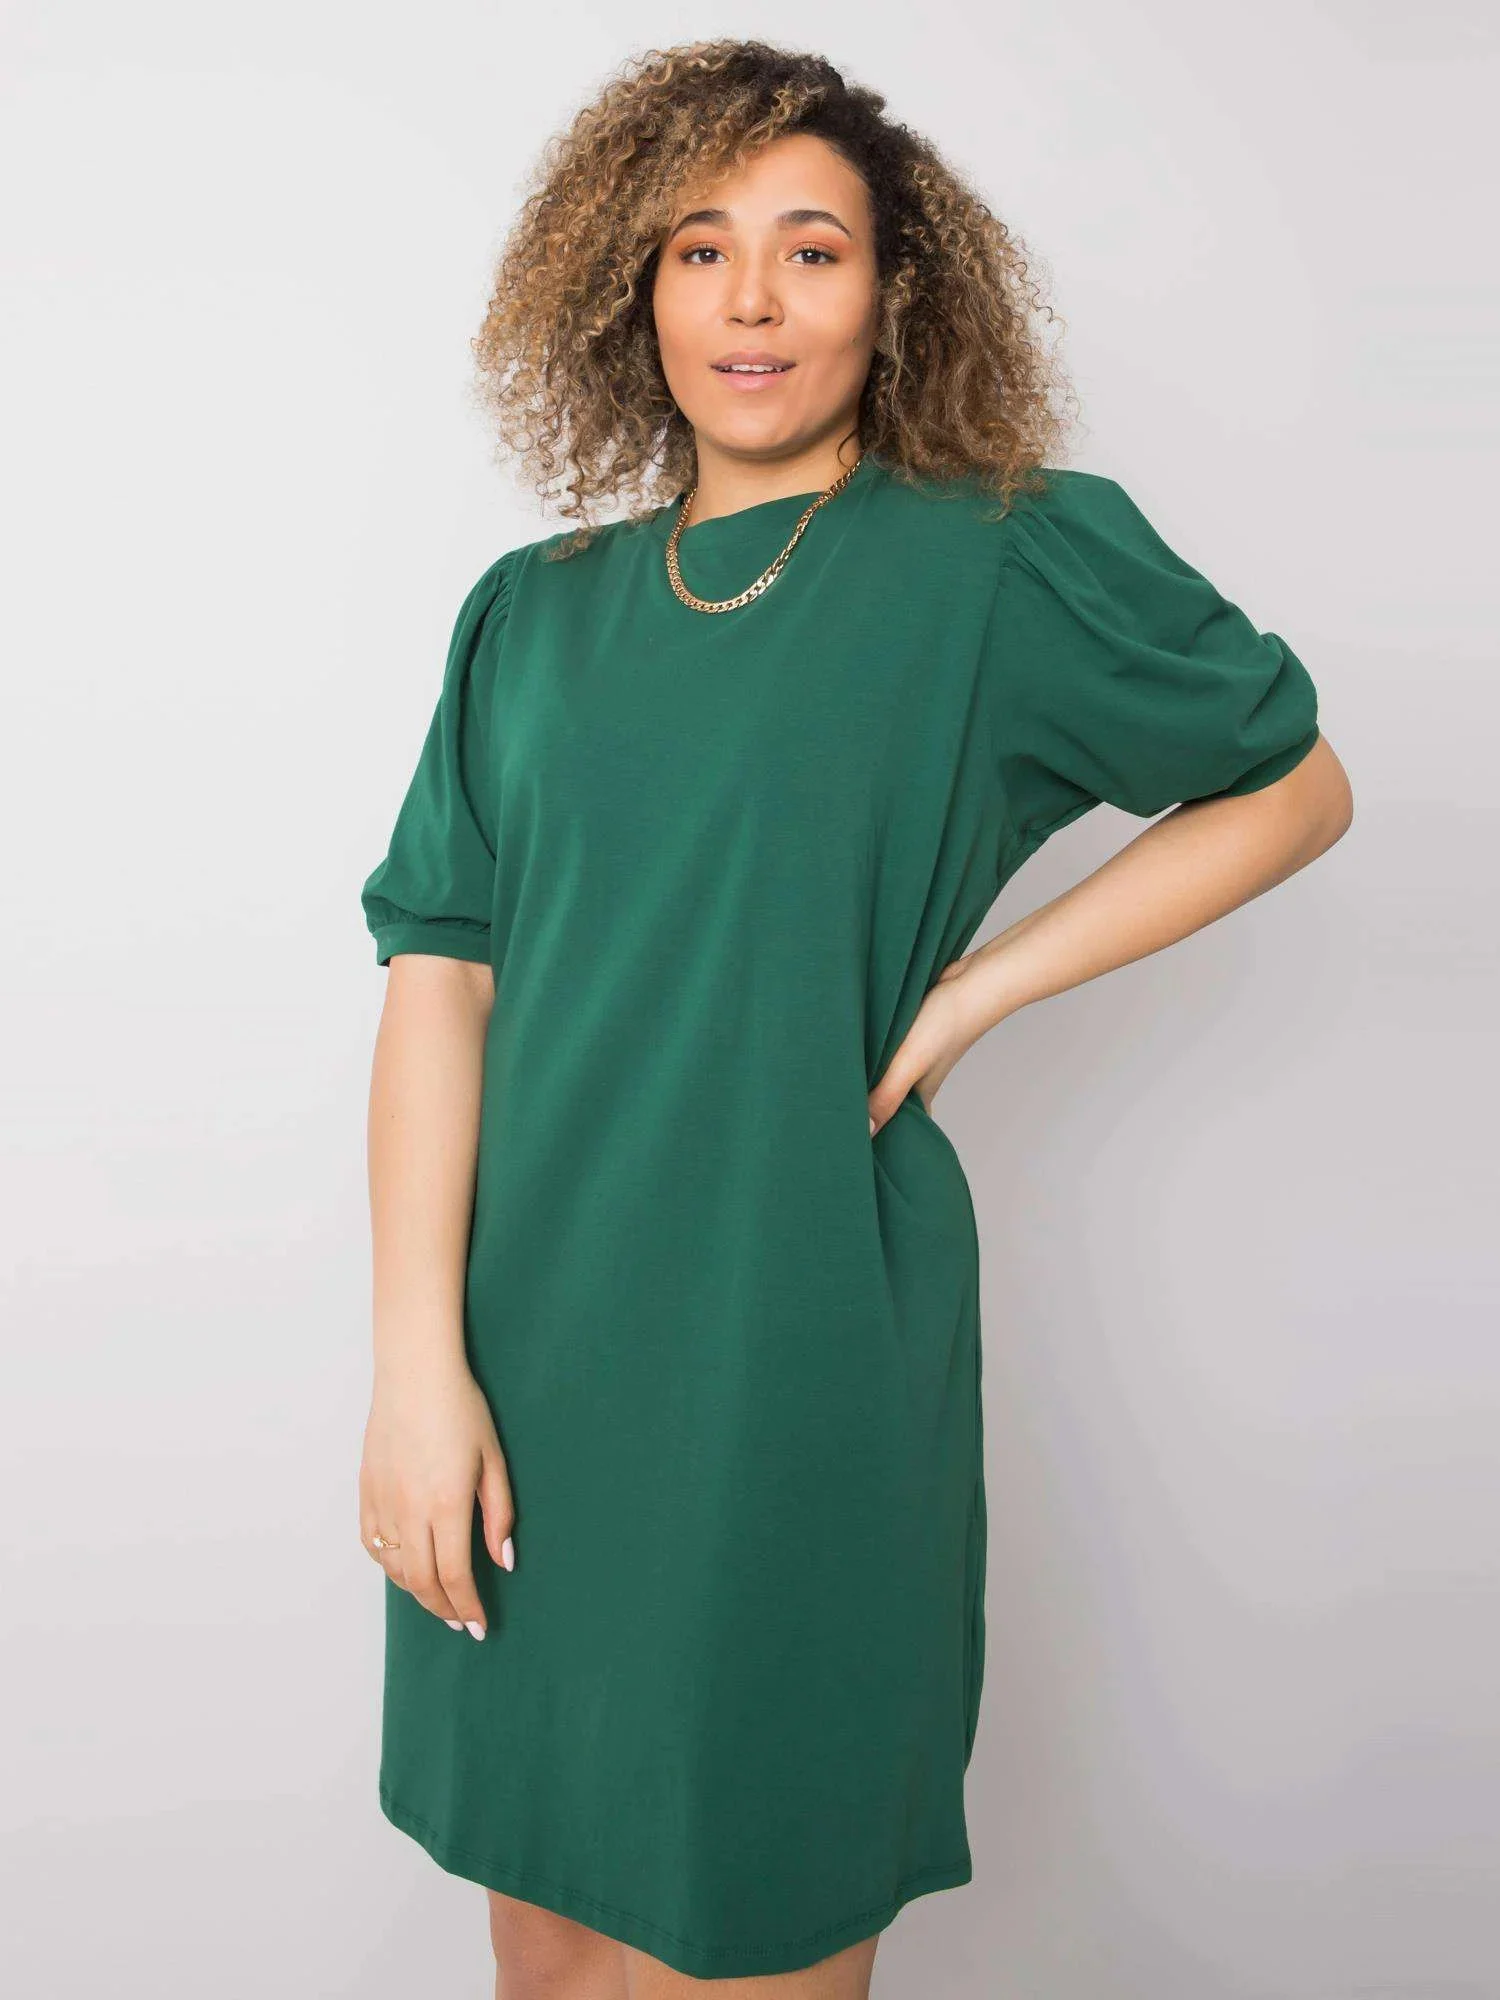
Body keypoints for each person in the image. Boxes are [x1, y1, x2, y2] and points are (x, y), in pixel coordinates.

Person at [357, 38, 1354, 2000]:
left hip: (790, 1351)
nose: (751, 297)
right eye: (699, 248)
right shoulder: (529, 616)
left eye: (811, 249)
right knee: (548, 1955)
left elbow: (1290, 784)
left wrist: (983, 981)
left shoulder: (986, 558)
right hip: (519, 1371)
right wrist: (415, 1371)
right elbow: (439, 980)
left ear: (894, 294)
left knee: (744, 1934)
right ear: (631, 292)